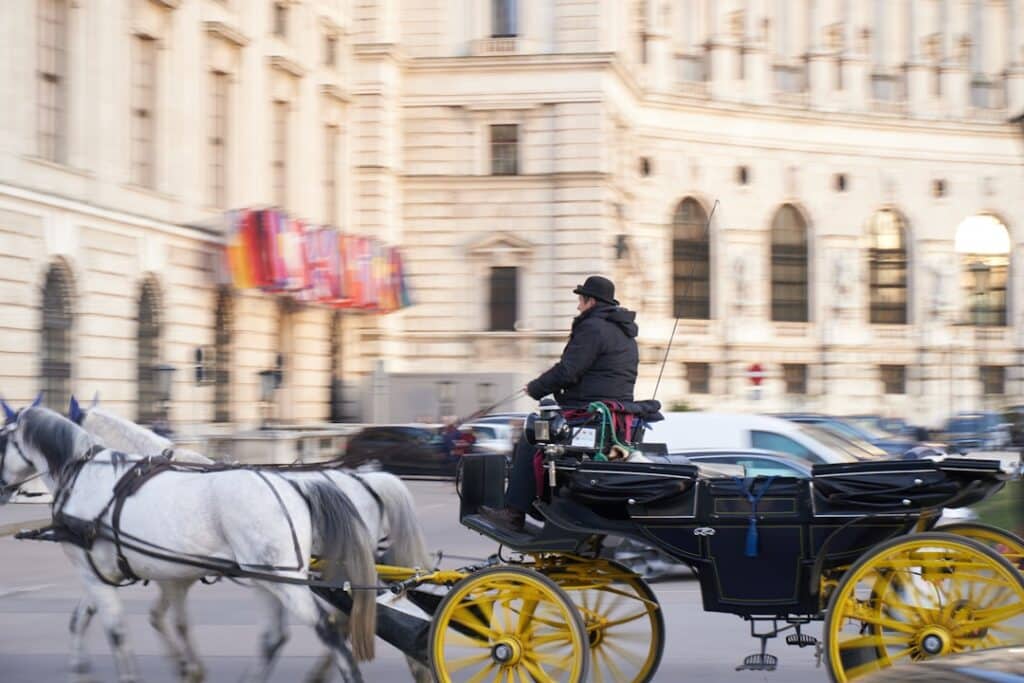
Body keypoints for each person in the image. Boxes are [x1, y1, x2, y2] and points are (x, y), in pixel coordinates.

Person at [481, 275, 639, 530]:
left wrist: (535, 387)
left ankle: (514, 512)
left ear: (591, 301)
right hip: (612, 415)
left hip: (589, 412)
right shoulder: (623, 332)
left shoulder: (593, 327)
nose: (578, 306)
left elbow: (569, 370)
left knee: (532, 435)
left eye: (580, 300)